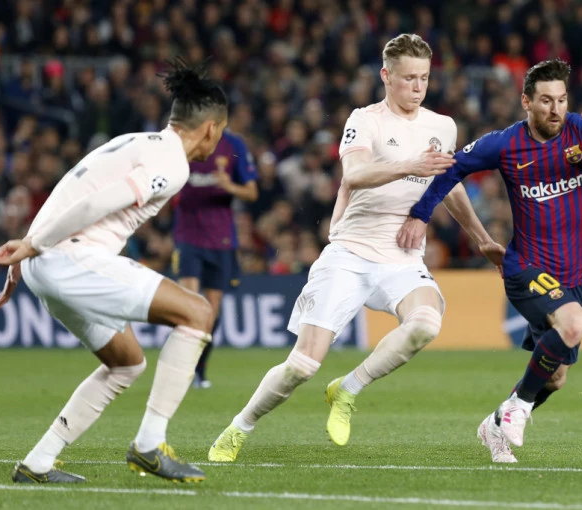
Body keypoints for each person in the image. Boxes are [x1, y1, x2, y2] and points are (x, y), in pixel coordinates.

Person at [208, 33, 505, 461]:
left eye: (424, 78)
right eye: (408, 78)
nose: (418, 87)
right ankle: (239, 427)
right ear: (386, 76)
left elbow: (449, 185)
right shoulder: (365, 120)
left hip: (402, 256)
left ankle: (347, 389)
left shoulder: (442, 126)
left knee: (425, 323)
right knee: (302, 366)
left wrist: (482, 239)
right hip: (351, 251)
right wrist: (411, 165)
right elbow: (355, 174)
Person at [0, 58, 229, 483]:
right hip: (69, 258)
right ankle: (149, 445)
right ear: (211, 129)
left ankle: (38, 463)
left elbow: (70, 191)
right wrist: (33, 245)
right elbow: (97, 203)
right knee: (198, 313)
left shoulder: (134, 142)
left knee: (126, 364)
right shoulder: (172, 163)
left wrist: (27, 254)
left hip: (46, 262)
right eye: (221, 132)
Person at [397, 59, 582, 463]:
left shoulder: (580, 131)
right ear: (526, 101)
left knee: (555, 378)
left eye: (561, 100)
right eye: (546, 100)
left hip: (573, 276)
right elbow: (453, 169)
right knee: (575, 324)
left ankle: (496, 425)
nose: (555, 109)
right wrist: (420, 215)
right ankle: (518, 408)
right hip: (527, 267)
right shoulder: (505, 144)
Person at [172, 127, 258, 389]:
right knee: (189, 303)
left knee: (212, 310)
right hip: (188, 234)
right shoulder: (183, 141)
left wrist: (229, 186)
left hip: (221, 238)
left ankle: (199, 368)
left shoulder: (234, 145)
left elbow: (252, 192)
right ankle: (181, 367)